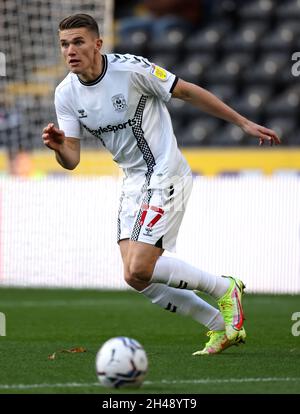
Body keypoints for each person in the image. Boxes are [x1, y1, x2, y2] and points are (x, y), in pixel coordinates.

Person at [42, 14, 281, 355]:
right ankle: (219, 325)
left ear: (98, 44)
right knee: (134, 277)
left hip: (166, 172)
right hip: (133, 181)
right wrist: (57, 147)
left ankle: (224, 287)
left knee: (142, 265)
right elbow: (72, 159)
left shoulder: (131, 70)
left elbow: (185, 91)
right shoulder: (66, 94)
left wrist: (242, 122)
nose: (70, 50)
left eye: (78, 42)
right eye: (64, 44)